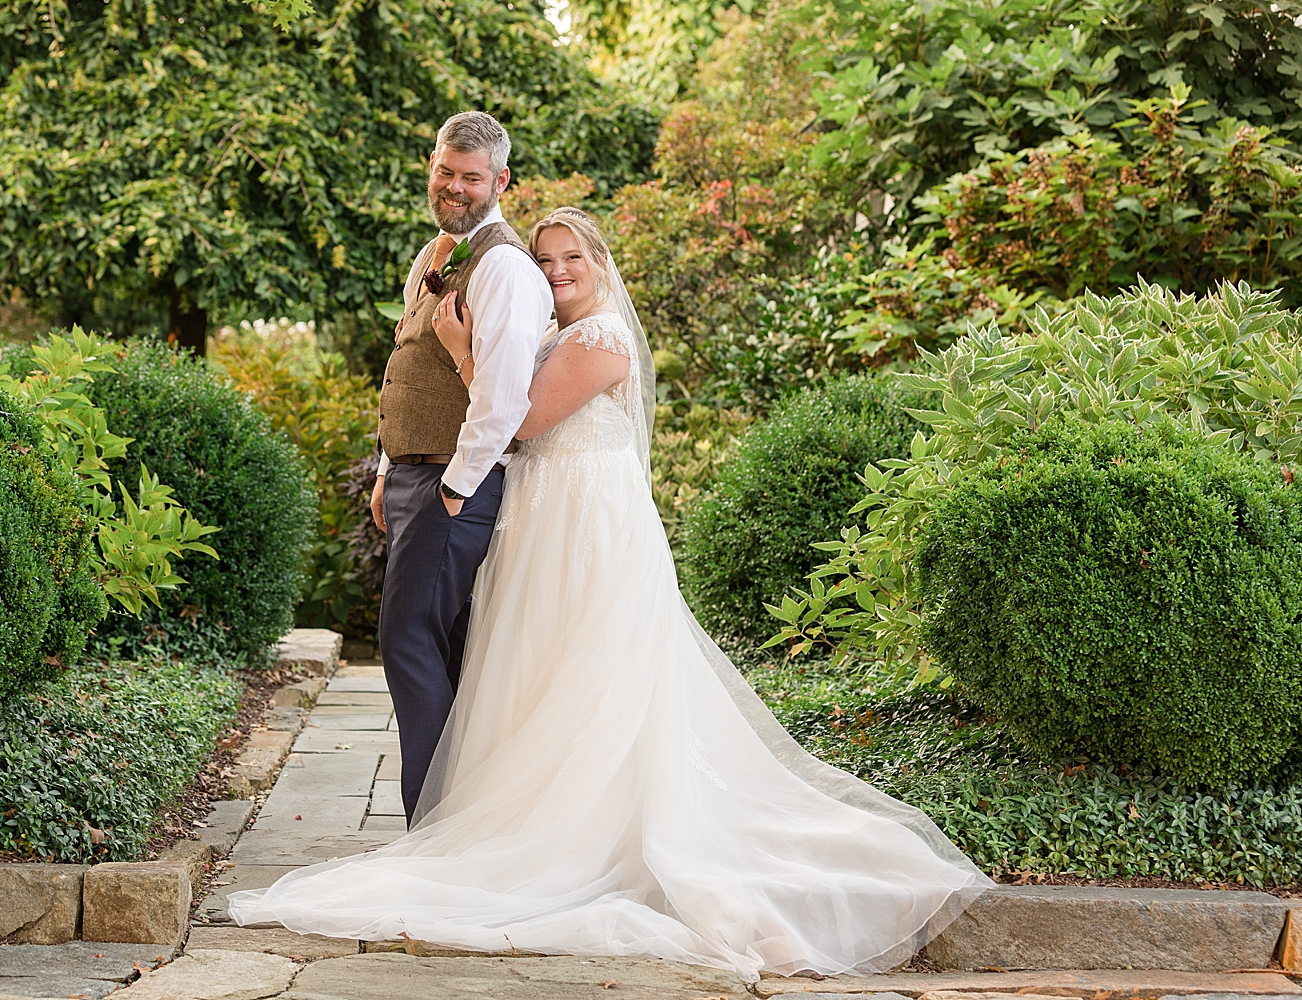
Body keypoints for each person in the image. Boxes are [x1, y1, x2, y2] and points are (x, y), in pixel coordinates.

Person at [229, 204, 992, 982]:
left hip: (587, 528)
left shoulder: (599, 340)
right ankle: (523, 818)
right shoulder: (559, 335)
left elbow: (522, 422)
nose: (558, 271)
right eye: (547, 259)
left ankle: (581, 833)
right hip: (547, 518)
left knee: (589, 675)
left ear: (599, 263)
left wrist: (462, 351)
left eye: (572, 259)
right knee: (541, 676)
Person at [368, 111, 552, 825]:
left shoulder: (505, 267)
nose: (454, 187)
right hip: (417, 476)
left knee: (407, 638)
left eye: (471, 178)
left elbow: (503, 398)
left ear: (500, 182)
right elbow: (410, 364)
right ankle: (452, 820)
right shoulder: (434, 254)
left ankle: (433, 821)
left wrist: (452, 489)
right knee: (435, 645)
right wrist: (389, 467)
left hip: (454, 485)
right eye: (446, 171)